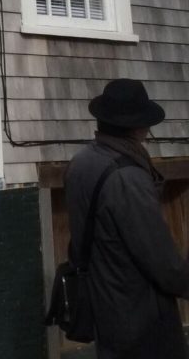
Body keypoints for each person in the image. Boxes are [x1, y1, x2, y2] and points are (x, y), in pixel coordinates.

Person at [65, 78, 189, 358]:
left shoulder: (82, 161)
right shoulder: (127, 178)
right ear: (137, 127)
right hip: (140, 317)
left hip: (105, 305)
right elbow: (162, 262)